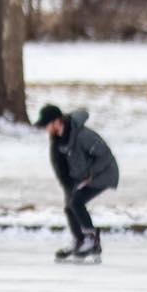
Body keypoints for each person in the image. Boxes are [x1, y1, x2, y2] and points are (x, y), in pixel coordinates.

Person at [33, 104, 119, 263]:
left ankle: (91, 240)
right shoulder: (57, 141)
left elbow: (105, 156)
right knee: (69, 205)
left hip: (104, 173)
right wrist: (68, 187)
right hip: (82, 177)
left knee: (77, 202)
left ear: (57, 122)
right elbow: (60, 169)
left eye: (47, 124)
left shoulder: (82, 135)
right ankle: (80, 240)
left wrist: (90, 174)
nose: (46, 128)